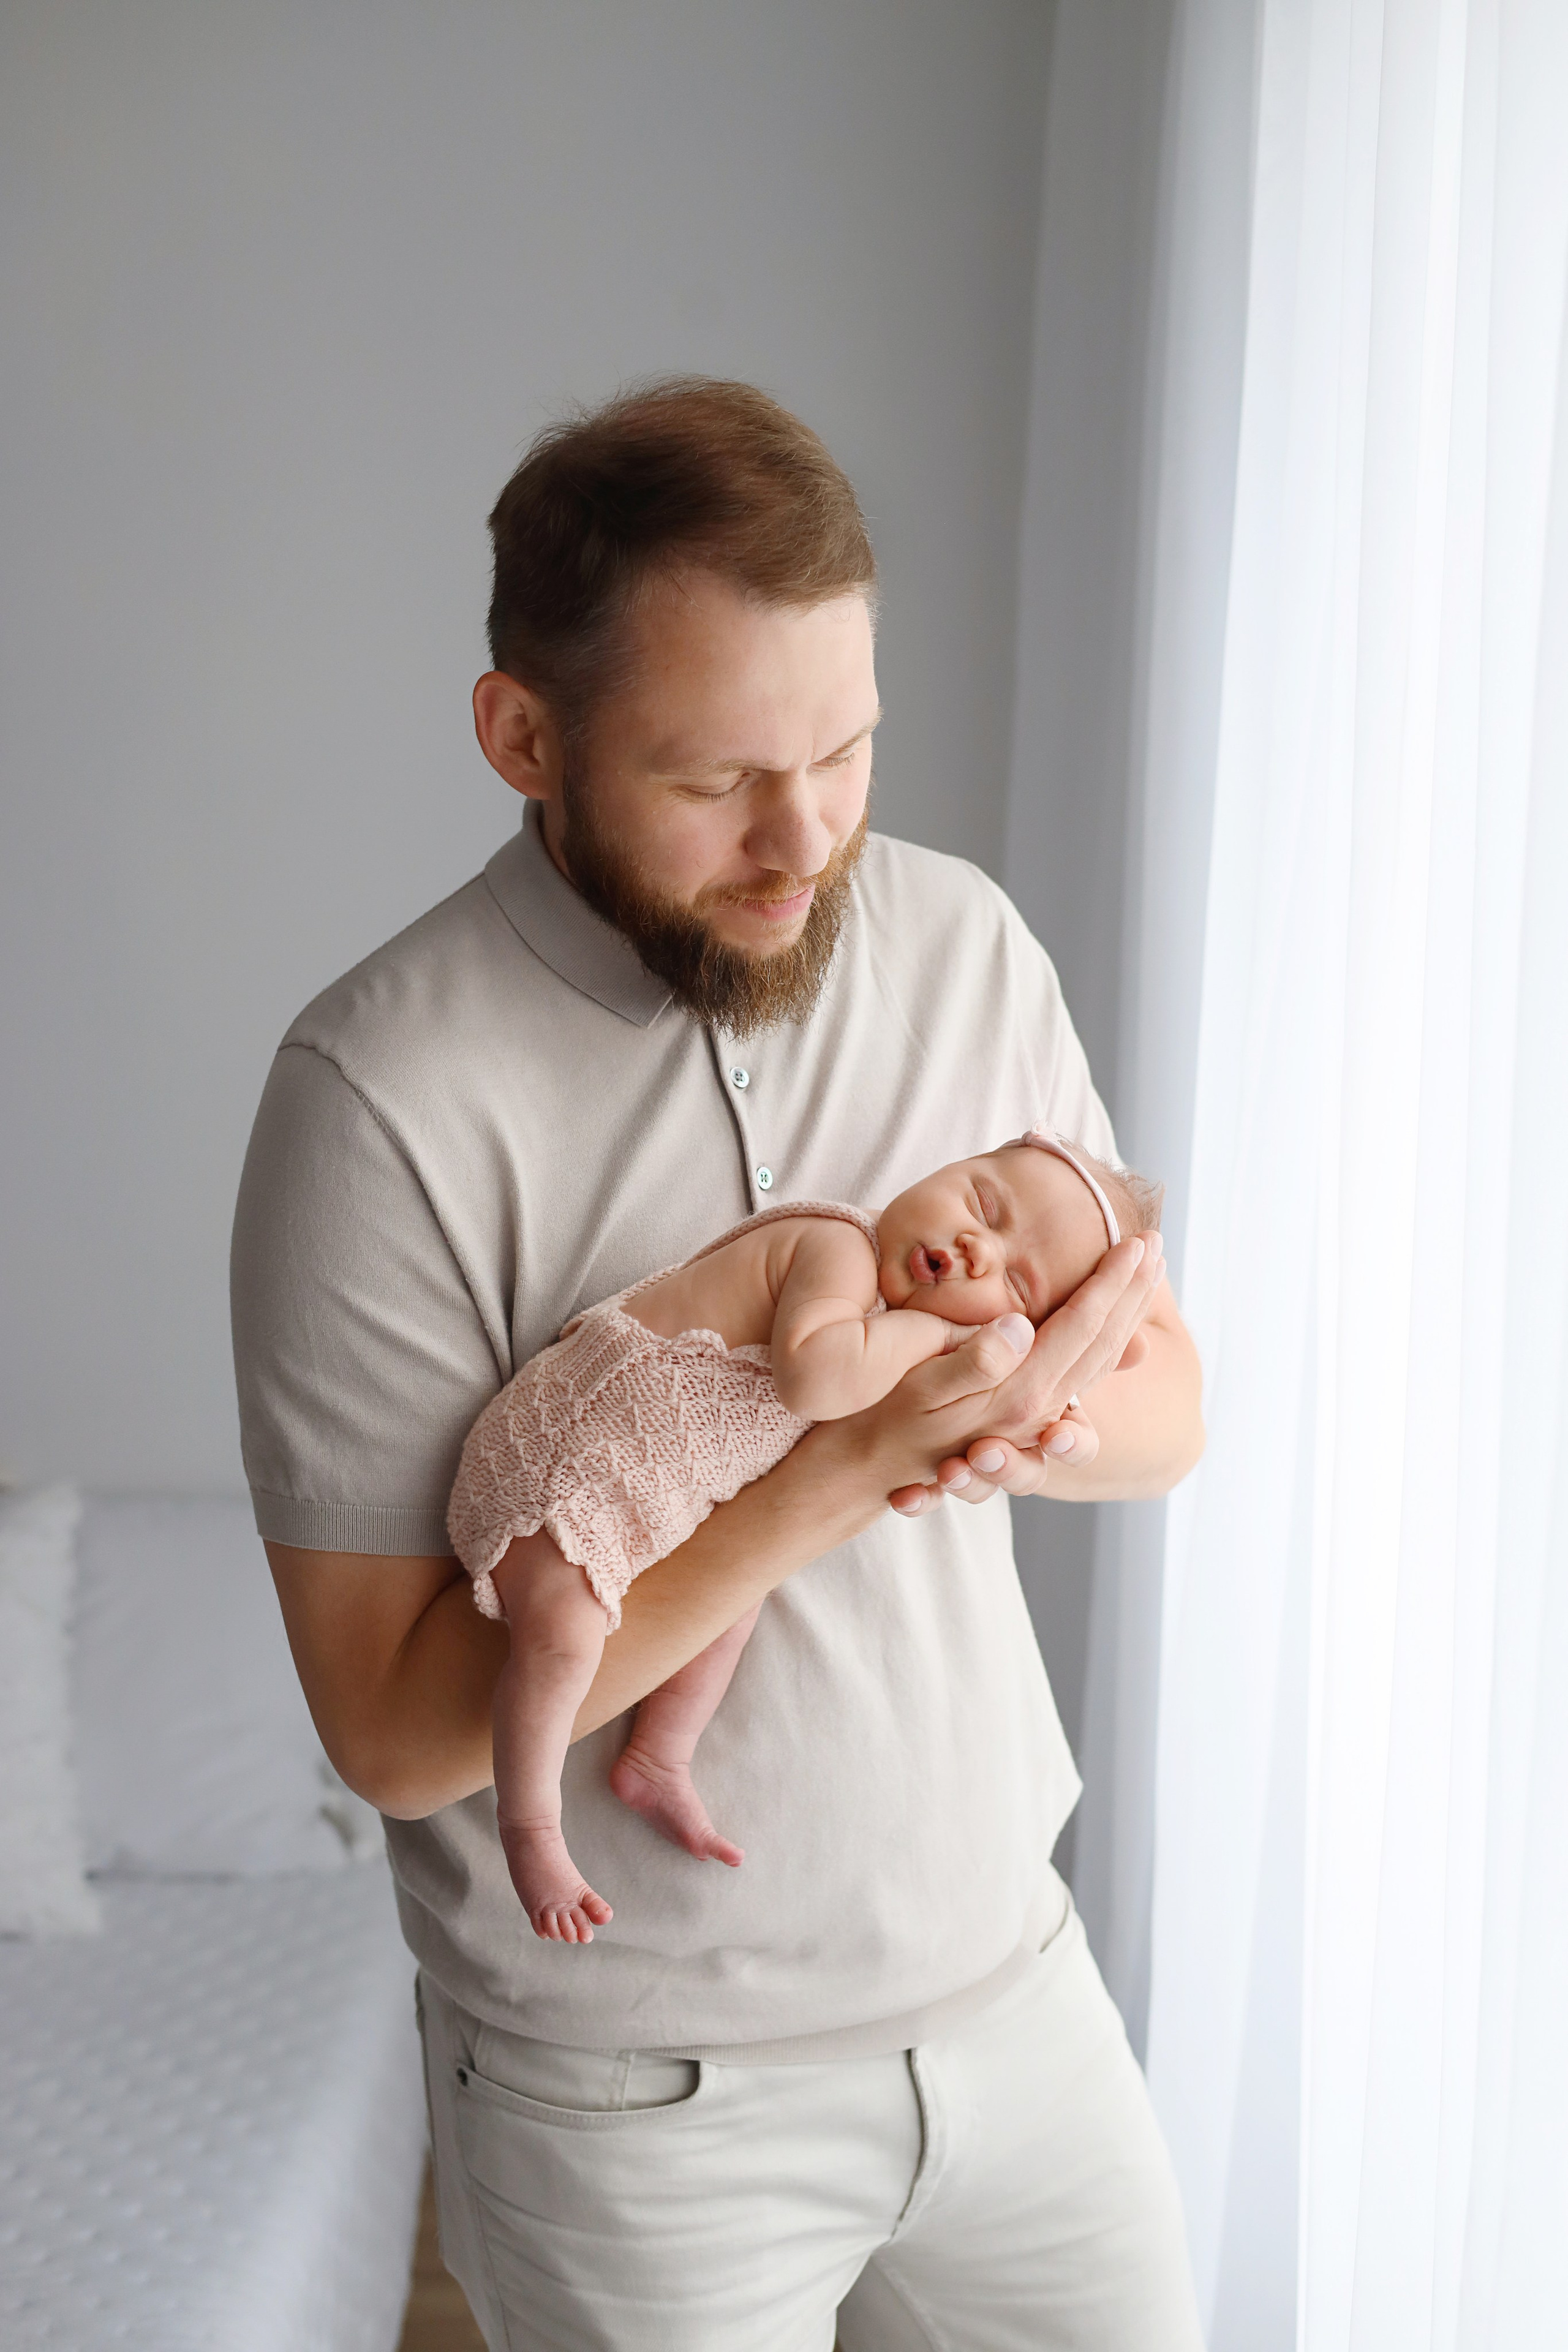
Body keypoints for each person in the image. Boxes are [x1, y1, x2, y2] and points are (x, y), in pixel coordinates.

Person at [231, 377, 1207, 2350]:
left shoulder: (964, 940)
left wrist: (1022, 1417)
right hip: (638, 2111)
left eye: (846, 748)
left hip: (1019, 1996)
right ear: (524, 736)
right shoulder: (377, 1100)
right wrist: (839, 1475)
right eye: (717, 781)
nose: (805, 840)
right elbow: (399, 1733)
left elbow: (1172, 1409)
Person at [449, 1133, 1164, 1943]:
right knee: (564, 1643)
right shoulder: (838, 1250)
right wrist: (947, 1342)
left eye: (1012, 1280)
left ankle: (658, 1757)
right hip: (560, 1474)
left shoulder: (883, 1316)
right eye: (980, 1204)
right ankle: (531, 1830)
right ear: (948, 1166)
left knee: (736, 1600)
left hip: (648, 1499)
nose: (975, 1246)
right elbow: (818, 1376)